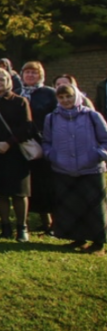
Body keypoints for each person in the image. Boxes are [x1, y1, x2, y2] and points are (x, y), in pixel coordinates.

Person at [42, 84, 107, 255]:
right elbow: (47, 141)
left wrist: (98, 155)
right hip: (63, 169)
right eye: (61, 97)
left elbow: (105, 139)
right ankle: (77, 238)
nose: (66, 100)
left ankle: (98, 243)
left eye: (69, 96)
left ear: (76, 96)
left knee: (94, 208)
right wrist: (52, 155)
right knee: (71, 206)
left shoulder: (92, 115)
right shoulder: (51, 118)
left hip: (91, 169)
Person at [0, 68, 35, 241]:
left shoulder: (20, 101)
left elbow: (26, 127)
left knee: (19, 192)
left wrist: (9, 143)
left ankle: (22, 227)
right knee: (0, 192)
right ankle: (5, 226)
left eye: (2, 79)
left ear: (9, 81)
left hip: (16, 151)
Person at [20, 61, 58, 234]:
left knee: (47, 184)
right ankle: (36, 221)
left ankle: (53, 222)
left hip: (44, 143)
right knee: (31, 184)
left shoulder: (49, 93)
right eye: (27, 72)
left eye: (34, 73)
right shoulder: (17, 93)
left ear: (41, 75)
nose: (30, 75)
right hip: (23, 144)